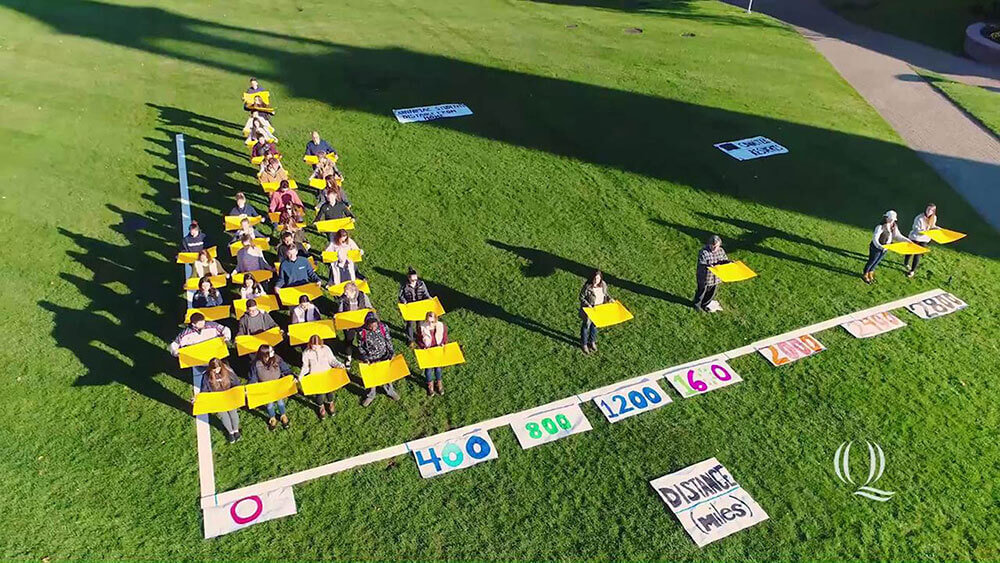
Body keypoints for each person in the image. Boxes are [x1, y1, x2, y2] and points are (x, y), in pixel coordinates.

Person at [168, 312, 232, 379]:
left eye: (203, 322)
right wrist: (176, 353)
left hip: (216, 357)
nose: (203, 324)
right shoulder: (185, 334)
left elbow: (225, 329)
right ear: (193, 324)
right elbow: (174, 345)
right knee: (208, 377)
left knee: (225, 371)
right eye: (200, 323)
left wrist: (227, 337)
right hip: (201, 362)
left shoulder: (212, 325)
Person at [357, 312, 401, 407]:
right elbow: (360, 346)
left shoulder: (383, 327)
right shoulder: (361, 332)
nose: (373, 328)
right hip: (370, 359)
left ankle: (390, 391)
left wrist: (391, 352)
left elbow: (388, 340)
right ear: (366, 324)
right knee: (372, 379)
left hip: (384, 356)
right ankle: (370, 395)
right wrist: (365, 358)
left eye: (375, 326)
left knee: (386, 376)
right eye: (371, 326)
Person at [299, 334, 346, 419]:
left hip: (326, 374)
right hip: (315, 376)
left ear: (320, 344)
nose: (315, 348)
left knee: (329, 392)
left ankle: (331, 403)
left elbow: (332, 360)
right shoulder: (306, 352)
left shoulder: (326, 349)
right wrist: (301, 375)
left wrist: (340, 365)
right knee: (319, 395)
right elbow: (305, 366)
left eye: (316, 346)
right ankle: (321, 406)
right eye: (313, 346)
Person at [249, 344, 293, 430]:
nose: (273, 352)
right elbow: (253, 377)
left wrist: (291, 376)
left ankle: (283, 415)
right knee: (269, 405)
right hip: (266, 388)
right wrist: (251, 387)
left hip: (277, 386)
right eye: (271, 351)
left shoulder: (277, 359)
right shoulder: (256, 364)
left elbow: (286, 369)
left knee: (280, 402)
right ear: (264, 355)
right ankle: (272, 417)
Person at [200, 358, 242, 443]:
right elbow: (204, 389)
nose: (216, 371)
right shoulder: (207, 376)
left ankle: (236, 430)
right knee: (224, 416)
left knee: (233, 413)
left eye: (217, 369)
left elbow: (236, 383)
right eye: (214, 370)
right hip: (217, 398)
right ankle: (230, 432)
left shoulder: (228, 372)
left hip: (229, 396)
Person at [863, 210, 911, 284]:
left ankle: (871, 271)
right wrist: (879, 246)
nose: (892, 221)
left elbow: (898, 236)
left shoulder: (894, 226)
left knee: (877, 261)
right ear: (886, 218)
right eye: (890, 219)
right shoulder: (880, 227)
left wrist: (907, 240)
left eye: (893, 219)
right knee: (872, 261)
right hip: (876, 248)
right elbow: (875, 238)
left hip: (885, 248)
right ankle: (865, 274)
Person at [337, 281, 372, 368]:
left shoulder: (362, 296)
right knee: (348, 341)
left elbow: (369, 308)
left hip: (361, 322)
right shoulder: (343, 298)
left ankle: (365, 357)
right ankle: (349, 358)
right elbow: (340, 312)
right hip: (349, 324)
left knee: (364, 340)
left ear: (353, 291)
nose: (344, 293)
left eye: (346, 292)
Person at [578, 270, 614, 354]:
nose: (596, 280)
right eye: (594, 278)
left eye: (597, 278)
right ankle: (584, 344)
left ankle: (592, 341)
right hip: (589, 310)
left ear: (600, 279)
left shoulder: (603, 285)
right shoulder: (587, 287)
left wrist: (610, 299)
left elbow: (605, 294)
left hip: (599, 309)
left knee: (594, 326)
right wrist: (588, 305)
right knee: (586, 326)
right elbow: (581, 297)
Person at [693, 235, 730, 312]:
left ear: (719, 245)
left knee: (711, 292)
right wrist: (709, 265)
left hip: (716, 277)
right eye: (713, 246)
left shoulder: (721, 251)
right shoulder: (703, 252)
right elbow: (702, 262)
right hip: (704, 276)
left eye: (716, 246)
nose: (714, 248)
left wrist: (729, 262)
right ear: (709, 244)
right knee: (701, 291)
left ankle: (705, 304)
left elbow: (724, 260)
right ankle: (697, 305)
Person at [397, 267, 431, 347]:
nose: (414, 281)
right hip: (410, 307)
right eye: (412, 280)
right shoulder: (404, 286)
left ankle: (420, 338)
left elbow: (425, 294)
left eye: (416, 279)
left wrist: (428, 298)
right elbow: (400, 296)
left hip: (419, 307)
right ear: (408, 278)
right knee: (410, 324)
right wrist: (404, 301)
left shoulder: (421, 284)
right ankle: (410, 340)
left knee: (419, 324)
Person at [417, 311, 448, 396]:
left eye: (432, 321)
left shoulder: (441, 326)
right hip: (428, 351)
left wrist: (443, 344)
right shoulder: (422, 327)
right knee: (428, 370)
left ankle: (439, 383)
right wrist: (423, 346)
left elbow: (445, 337)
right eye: (428, 321)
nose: (430, 323)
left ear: (435, 319)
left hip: (437, 349)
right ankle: (430, 385)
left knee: (438, 368)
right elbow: (419, 339)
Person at [904, 203, 937, 278]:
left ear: (933, 211)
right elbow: (916, 228)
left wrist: (937, 228)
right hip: (914, 237)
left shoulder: (934, 218)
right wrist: (923, 231)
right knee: (910, 252)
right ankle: (906, 263)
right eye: (928, 209)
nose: (929, 211)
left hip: (924, 239)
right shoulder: (919, 218)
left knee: (918, 255)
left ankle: (912, 271)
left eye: (931, 210)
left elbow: (932, 226)